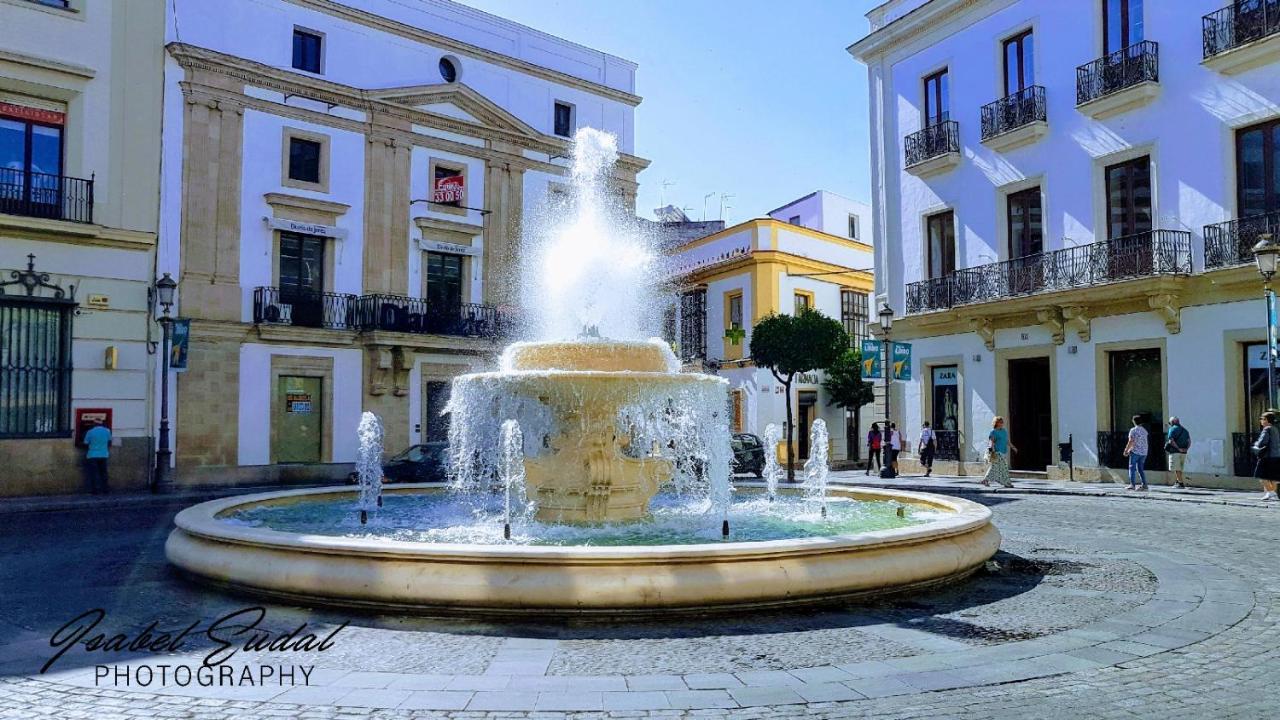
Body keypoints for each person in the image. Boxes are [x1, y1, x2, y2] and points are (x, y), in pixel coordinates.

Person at [1252, 411, 1280, 501]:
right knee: (1273, 477)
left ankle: (1271, 492)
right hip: (1276, 455)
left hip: (1266, 456)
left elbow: (1262, 442)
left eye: (1262, 419)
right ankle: (1273, 494)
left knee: (1261, 475)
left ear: (1267, 420)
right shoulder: (1275, 429)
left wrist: (1256, 444)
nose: (1261, 421)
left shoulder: (1266, 429)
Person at [981, 416, 1015, 488]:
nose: (1002, 423)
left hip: (1003, 452)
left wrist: (1013, 447)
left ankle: (986, 480)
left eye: (1002, 422)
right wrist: (992, 451)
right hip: (997, 452)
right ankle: (1007, 483)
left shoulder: (1004, 431)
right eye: (1000, 422)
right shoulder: (993, 432)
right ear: (996, 423)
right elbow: (991, 442)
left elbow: (1006, 441)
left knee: (997, 467)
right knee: (1003, 467)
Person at [84, 419, 111, 494]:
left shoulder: (90, 432)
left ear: (94, 424)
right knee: (104, 473)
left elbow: (86, 442)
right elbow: (109, 441)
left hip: (92, 455)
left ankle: (95, 490)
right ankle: (105, 489)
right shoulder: (107, 431)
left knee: (94, 473)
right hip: (104, 454)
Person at [1122, 415, 1149, 491]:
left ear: (1134, 421)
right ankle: (1144, 485)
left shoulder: (1133, 430)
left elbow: (1131, 441)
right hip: (1144, 452)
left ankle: (1132, 485)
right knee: (1140, 469)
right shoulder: (1144, 431)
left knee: (1132, 468)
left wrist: (1126, 450)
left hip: (1135, 452)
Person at [1164, 416, 1191, 489]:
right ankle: (1178, 481)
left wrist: (1178, 448)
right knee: (1180, 468)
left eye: (1170, 423)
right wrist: (1186, 449)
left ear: (1172, 423)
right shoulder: (1185, 430)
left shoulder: (1172, 429)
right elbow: (1189, 441)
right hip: (1184, 452)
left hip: (1175, 451)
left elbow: (1171, 441)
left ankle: (1180, 483)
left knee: (1176, 468)